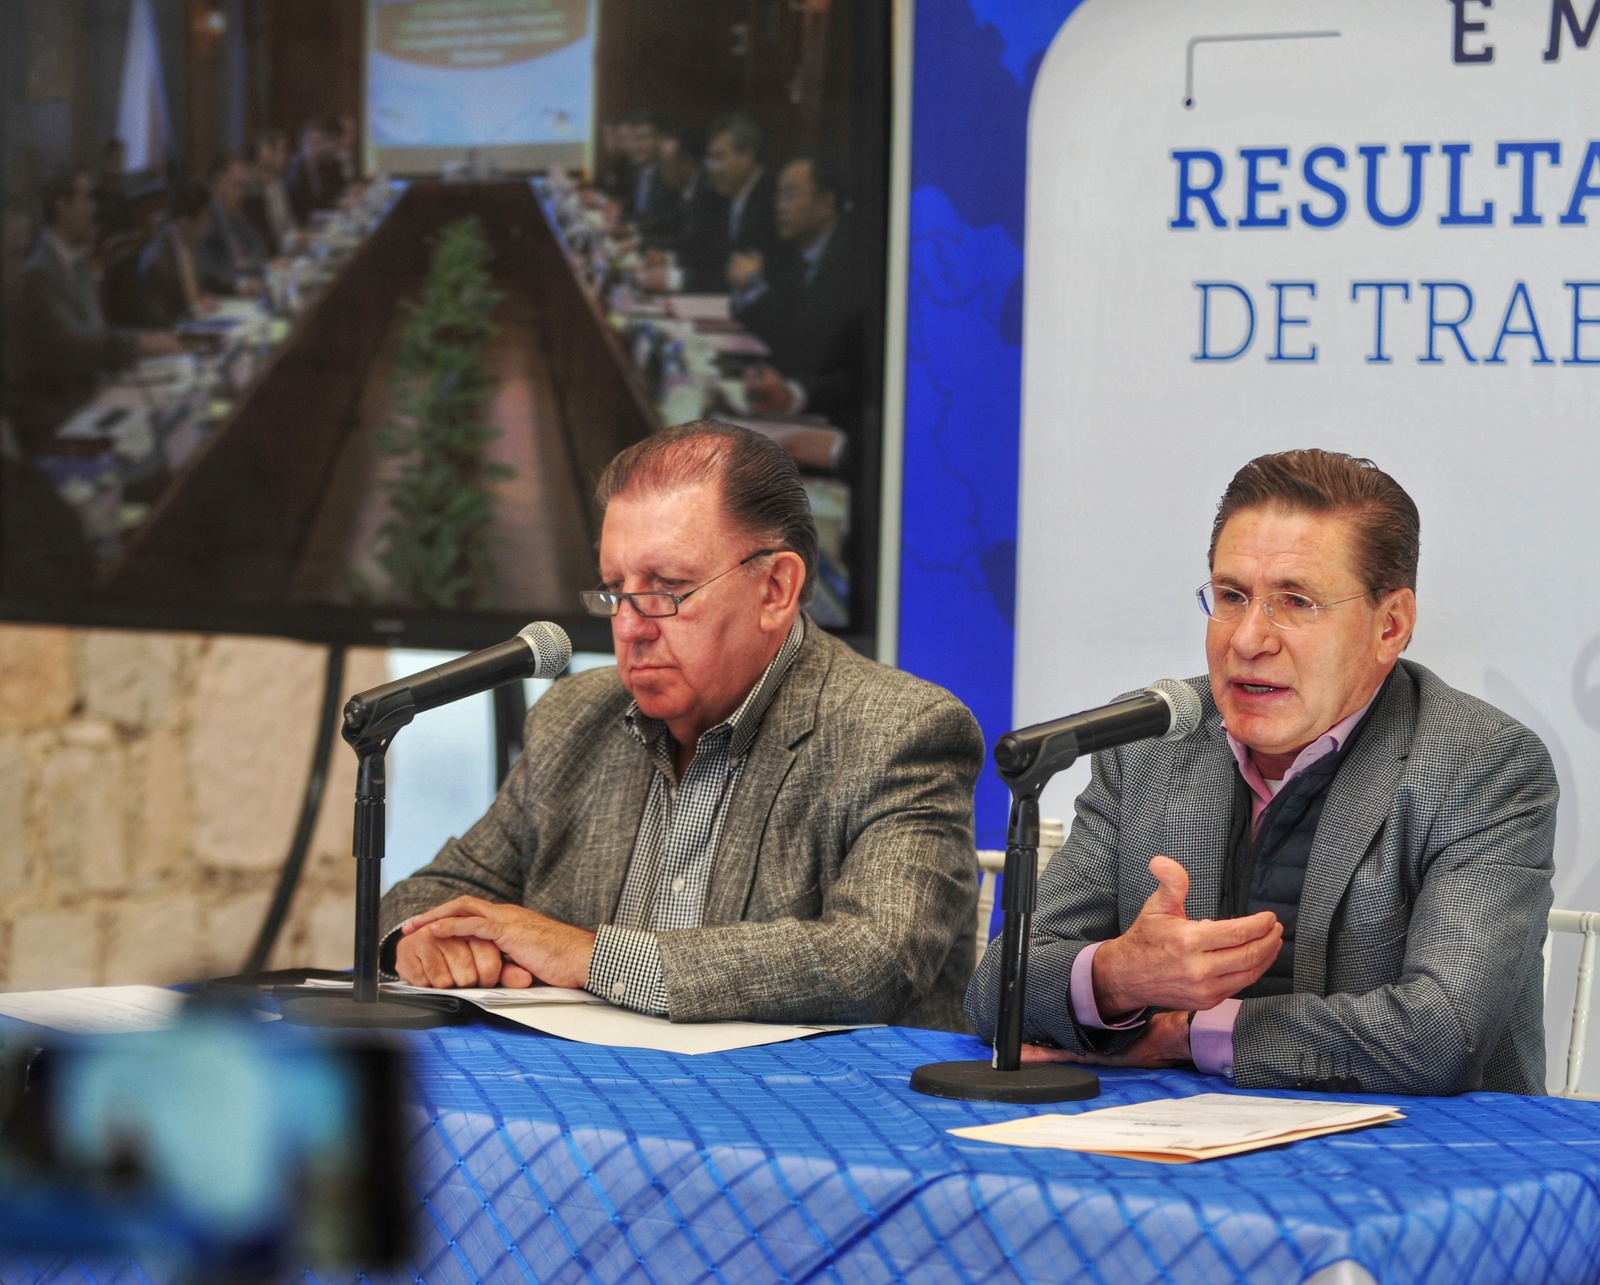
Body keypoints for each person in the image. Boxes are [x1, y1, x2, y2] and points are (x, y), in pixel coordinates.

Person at [966, 450, 1558, 1095]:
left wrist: (1186, 1035)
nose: (1248, 639)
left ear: (1390, 627)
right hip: (1168, 1134)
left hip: (1421, 1147)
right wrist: (1116, 978)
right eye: (1232, 596)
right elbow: (996, 994)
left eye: (1296, 602)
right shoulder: (1149, 746)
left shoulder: (1481, 763)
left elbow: (1440, 1038)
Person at [380, 420, 984, 1029]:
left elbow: (874, 959)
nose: (629, 627)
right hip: (579, 1080)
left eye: (667, 588)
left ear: (776, 589)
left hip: (802, 1089)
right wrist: (427, 941)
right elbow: (431, 893)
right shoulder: (574, 716)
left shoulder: (899, 730)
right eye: (615, 590)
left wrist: (588, 956)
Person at [9, 167, 178, 452]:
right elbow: (75, 346)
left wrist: (144, 345)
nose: (94, 209)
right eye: (87, 199)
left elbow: (99, 334)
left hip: (97, 401)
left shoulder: (77, 261)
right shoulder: (38, 274)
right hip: (64, 422)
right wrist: (140, 343)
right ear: (62, 207)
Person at [732, 155, 863, 430]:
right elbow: (770, 324)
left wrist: (793, 393)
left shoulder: (852, 262)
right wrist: (748, 287)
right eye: (779, 196)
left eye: (790, 196)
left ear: (826, 204)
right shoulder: (797, 253)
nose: (780, 207)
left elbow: (842, 368)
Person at [701, 112, 788, 276]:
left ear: (747, 155)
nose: (713, 168)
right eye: (710, 159)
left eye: (719, 157)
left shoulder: (773, 200)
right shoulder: (719, 199)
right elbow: (711, 260)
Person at [137, 179, 216, 328]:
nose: (208, 228)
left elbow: (209, 277)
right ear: (185, 222)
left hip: (202, 325)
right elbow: (159, 322)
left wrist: (240, 286)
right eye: (204, 221)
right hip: (178, 336)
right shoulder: (156, 263)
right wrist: (195, 310)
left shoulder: (191, 241)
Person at [198, 153, 268, 296]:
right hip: (226, 296)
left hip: (248, 287)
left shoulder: (236, 214)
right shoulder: (207, 221)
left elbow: (261, 250)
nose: (242, 193)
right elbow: (213, 272)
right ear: (219, 184)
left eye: (244, 186)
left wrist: (245, 262)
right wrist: (242, 270)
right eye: (237, 185)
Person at [243, 128, 300, 256]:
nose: (267, 176)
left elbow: (288, 222)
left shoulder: (277, 183)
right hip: (272, 254)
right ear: (251, 166)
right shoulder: (249, 196)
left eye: (269, 169)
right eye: (263, 169)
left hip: (286, 249)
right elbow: (267, 238)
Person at [624, 112, 677, 234]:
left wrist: (633, 229)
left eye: (643, 138)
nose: (637, 145)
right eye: (634, 139)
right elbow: (633, 210)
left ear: (660, 139)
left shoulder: (670, 172)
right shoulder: (636, 169)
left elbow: (667, 220)